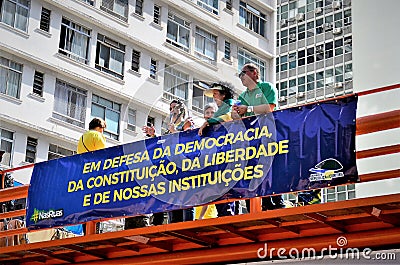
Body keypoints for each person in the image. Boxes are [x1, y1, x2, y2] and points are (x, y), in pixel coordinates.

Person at [232, 63, 285, 212]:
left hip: (268, 136)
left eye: (244, 73)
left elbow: (270, 108)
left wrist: (247, 109)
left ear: (254, 73)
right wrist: (235, 114)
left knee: (270, 170)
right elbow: (237, 119)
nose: (241, 77)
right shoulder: (243, 96)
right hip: (250, 142)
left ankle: (277, 204)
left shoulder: (267, 87)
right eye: (240, 75)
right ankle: (253, 208)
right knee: (250, 172)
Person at [142, 99, 195, 224]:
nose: (172, 111)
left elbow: (190, 140)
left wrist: (174, 132)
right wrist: (154, 136)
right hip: (170, 170)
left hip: (184, 168)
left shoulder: (188, 123)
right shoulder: (169, 127)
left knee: (185, 200)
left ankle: (187, 226)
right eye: (170, 108)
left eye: (174, 108)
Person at [198, 82, 236, 217]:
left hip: (229, 150)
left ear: (223, 94)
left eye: (216, 94)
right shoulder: (220, 109)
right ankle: (223, 212)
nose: (214, 97)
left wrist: (208, 122)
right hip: (219, 153)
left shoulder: (229, 105)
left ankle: (227, 213)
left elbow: (228, 117)